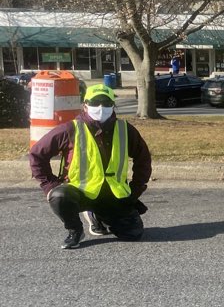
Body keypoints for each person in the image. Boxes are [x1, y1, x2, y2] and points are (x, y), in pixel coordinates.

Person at [28, 84, 151, 249]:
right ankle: (75, 230)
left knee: (132, 234)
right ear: (85, 105)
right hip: (80, 193)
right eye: (95, 102)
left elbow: (143, 158)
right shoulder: (70, 129)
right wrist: (49, 185)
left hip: (113, 194)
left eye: (106, 103)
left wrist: (135, 189)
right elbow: (37, 154)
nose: (101, 107)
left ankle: (98, 216)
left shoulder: (125, 129)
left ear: (113, 106)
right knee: (58, 196)